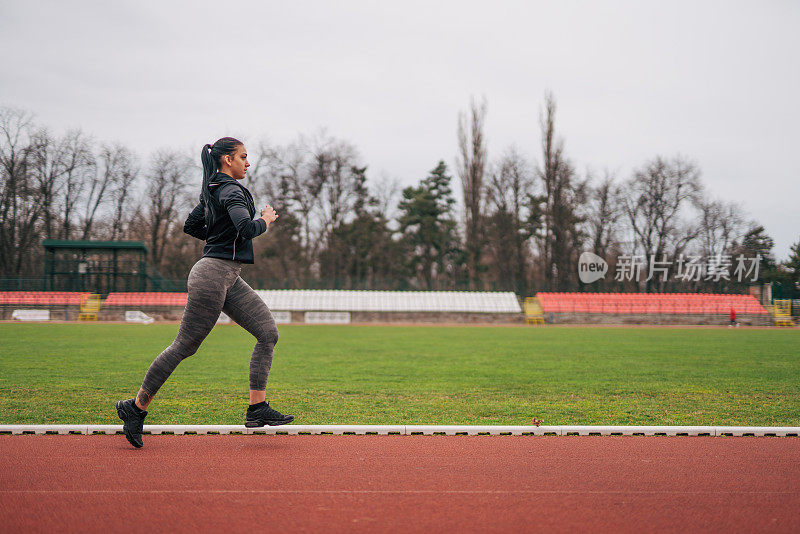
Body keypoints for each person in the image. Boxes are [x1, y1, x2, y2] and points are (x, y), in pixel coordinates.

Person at [116, 137, 293, 448]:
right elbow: (246, 229)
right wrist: (264, 220)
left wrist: (221, 233)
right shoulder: (231, 190)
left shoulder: (214, 190)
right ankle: (136, 407)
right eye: (243, 157)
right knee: (185, 345)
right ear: (227, 160)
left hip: (228, 275)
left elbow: (192, 225)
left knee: (268, 332)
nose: (248, 163)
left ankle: (256, 409)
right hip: (212, 276)